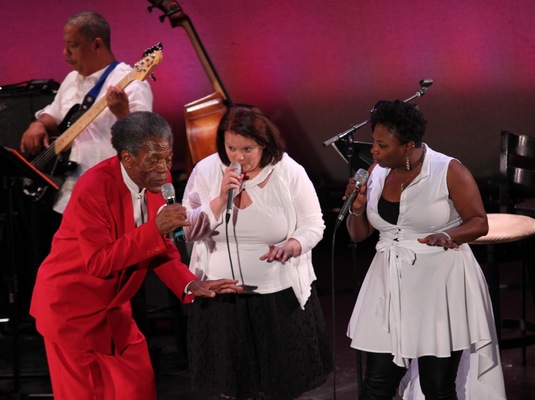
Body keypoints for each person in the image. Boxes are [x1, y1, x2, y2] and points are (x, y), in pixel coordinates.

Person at [29, 111, 242, 400]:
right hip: (71, 310)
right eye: (153, 160)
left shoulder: (156, 183)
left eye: (167, 159)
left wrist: (191, 284)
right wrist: (155, 228)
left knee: (138, 388)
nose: (163, 169)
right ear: (127, 158)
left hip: (114, 308)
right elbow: (99, 262)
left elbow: (160, 249)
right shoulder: (94, 187)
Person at [343, 100, 506, 399]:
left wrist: (447, 233)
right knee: (376, 386)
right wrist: (356, 209)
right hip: (389, 286)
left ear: (407, 146)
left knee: (438, 388)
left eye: (382, 144)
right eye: (374, 142)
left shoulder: (449, 170)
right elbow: (359, 235)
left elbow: (479, 222)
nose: (374, 151)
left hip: (439, 288)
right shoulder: (377, 171)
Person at [182, 104, 333, 399]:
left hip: (279, 298)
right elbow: (187, 229)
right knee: (233, 387)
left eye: (247, 149)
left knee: (280, 386)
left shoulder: (289, 172)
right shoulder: (207, 170)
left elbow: (314, 225)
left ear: (265, 144)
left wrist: (293, 245)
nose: (238, 158)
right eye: (231, 148)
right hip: (221, 298)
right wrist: (219, 198)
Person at [20, 11, 153, 215]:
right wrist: (38, 124)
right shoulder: (71, 79)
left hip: (111, 199)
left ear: (97, 45)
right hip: (67, 198)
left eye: (73, 45)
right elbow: (53, 114)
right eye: (65, 45)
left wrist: (123, 115)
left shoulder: (133, 84)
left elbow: (144, 143)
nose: (65, 52)